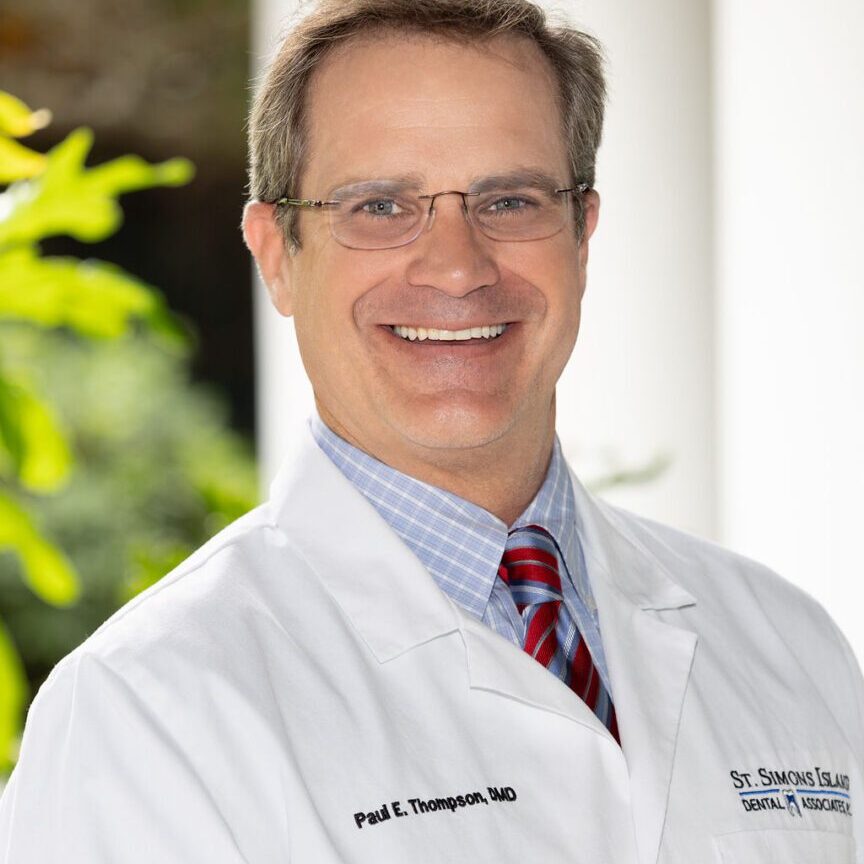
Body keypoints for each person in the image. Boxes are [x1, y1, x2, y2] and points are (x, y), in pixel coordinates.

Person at [1, 0, 862, 860]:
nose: (457, 266)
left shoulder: (787, 642)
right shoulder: (146, 709)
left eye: (512, 199)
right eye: (380, 206)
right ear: (277, 254)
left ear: (582, 236)